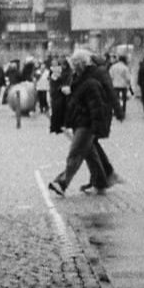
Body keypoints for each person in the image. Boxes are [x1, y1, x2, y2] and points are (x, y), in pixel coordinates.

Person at [49, 51, 115, 196]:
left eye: (74, 63)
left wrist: (96, 126)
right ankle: (100, 182)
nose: (73, 66)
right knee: (90, 155)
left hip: (86, 123)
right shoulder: (79, 78)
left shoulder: (89, 81)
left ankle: (62, 183)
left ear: (80, 64)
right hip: (80, 121)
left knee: (76, 153)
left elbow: (95, 105)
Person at [108, 54, 132, 121]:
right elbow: (128, 78)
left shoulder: (113, 67)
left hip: (115, 85)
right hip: (123, 86)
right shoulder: (125, 67)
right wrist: (128, 84)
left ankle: (116, 111)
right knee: (124, 99)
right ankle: (123, 111)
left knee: (115, 99)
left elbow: (110, 76)